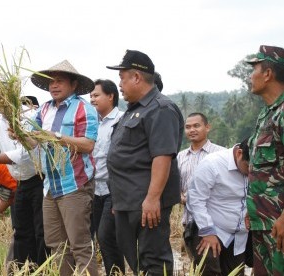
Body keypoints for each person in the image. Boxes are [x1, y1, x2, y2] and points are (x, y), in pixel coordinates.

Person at [106, 49, 184, 275]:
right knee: (136, 260)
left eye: (122, 78)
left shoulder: (160, 109)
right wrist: (118, 201)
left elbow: (162, 156)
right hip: (127, 200)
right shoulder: (133, 111)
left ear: (137, 77)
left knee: (153, 260)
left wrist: (152, 198)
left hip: (146, 202)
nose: (119, 84)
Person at [22, 60, 98, 275]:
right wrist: (20, 135)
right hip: (50, 186)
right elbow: (33, 142)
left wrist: (55, 136)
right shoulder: (45, 109)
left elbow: (88, 145)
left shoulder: (84, 109)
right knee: (57, 246)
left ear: (73, 85)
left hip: (74, 184)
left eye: (59, 81)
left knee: (80, 246)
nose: (53, 86)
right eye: (50, 82)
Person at [0, 95, 48, 268]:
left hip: (39, 180)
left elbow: (22, 155)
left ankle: (44, 269)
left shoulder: (30, 117)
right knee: (21, 231)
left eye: (1, 98)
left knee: (41, 231)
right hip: (20, 183)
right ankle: (23, 270)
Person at [245, 45, 284, 275]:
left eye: (255, 69)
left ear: (268, 73)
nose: (251, 76)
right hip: (263, 222)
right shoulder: (266, 114)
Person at [186, 139, 250, 276]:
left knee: (235, 273)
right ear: (239, 153)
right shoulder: (213, 164)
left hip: (239, 236)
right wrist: (208, 231)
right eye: (249, 167)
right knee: (210, 272)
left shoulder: (260, 168)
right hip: (211, 230)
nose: (252, 173)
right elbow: (195, 199)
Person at [89, 79, 125, 275]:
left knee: (106, 237)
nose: (92, 99)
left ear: (111, 96)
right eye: (91, 96)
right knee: (92, 238)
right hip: (93, 189)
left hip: (113, 189)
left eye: (96, 95)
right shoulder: (91, 123)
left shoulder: (122, 120)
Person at [177, 112, 225, 251]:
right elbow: (176, 187)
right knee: (199, 267)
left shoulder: (221, 154)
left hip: (218, 222)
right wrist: (182, 197)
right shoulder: (180, 157)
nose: (192, 130)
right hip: (190, 222)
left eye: (196, 126)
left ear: (207, 127)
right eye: (188, 127)